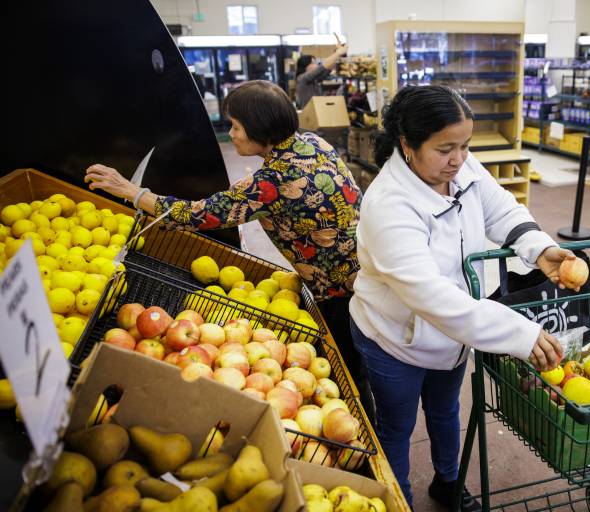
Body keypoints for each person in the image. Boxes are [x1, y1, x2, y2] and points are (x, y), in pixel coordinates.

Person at [84, 79, 375, 420]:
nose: (232, 134)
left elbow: (199, 215)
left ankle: (372, 450)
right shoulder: (311, 142)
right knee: (358, 366)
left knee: (349, 377)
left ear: (260, 130)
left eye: (236, 127)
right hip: (362, 269)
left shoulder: (273, 181)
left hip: (338, 290)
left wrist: (131, 191)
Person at [349, 85, 578, 509]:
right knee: (397, 427)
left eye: (465, 146)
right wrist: (518, 333)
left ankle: (448, 482)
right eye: (445, 149)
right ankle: (399, 500)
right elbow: (431, 297)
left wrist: (539, 248)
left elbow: (500, 207)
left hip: (456, 332)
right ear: (407, 145)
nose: (458, 159)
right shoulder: (389, 204)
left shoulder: (460, 168)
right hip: (394, 336)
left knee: (445, 411)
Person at [295, 34, 348, 109]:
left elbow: (328, 68)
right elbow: (321, 67)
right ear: (306, 66)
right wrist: (337, 53)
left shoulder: (314, 79)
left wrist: (338, 54)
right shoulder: (302, 78)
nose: (316, 65)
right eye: (313, 63)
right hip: (310, 115)